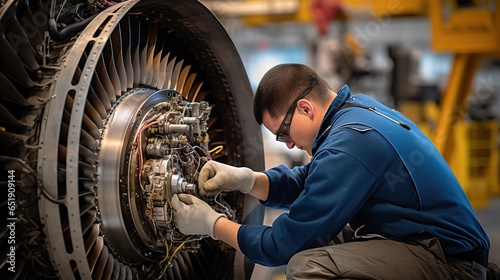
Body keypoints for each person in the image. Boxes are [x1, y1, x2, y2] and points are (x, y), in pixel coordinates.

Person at [170, 63, 498, 279]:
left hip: (452, 263)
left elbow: (279, 246)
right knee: (319, 243)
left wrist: (213, 225)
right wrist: (247, 179)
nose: (288, 145)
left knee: (307, 265)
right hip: (424, 242)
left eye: (283, 133)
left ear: (304, 108)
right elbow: (313, 182)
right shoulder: (356, 113)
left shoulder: (352, 143)